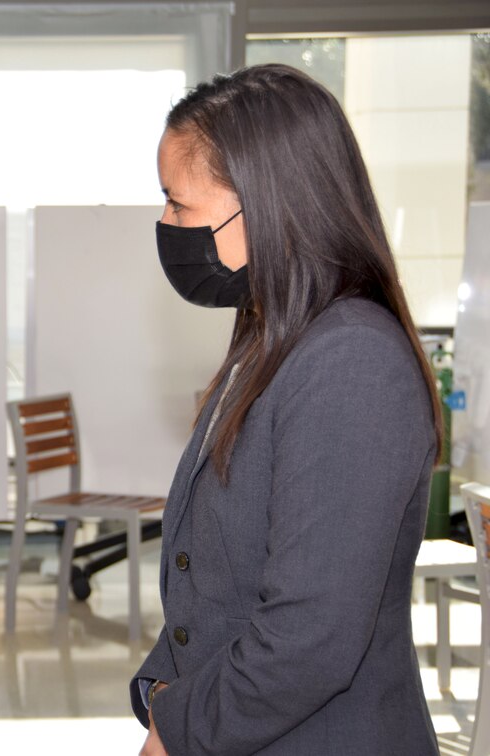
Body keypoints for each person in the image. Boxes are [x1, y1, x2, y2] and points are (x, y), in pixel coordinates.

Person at [132, 64, 442, 755]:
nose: (165, 224)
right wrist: (161, 692)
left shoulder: (351, 362)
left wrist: (178, 732)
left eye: (179, 205)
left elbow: (310, 635)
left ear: (265, 203)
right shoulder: (272, 338)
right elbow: (215, 576)